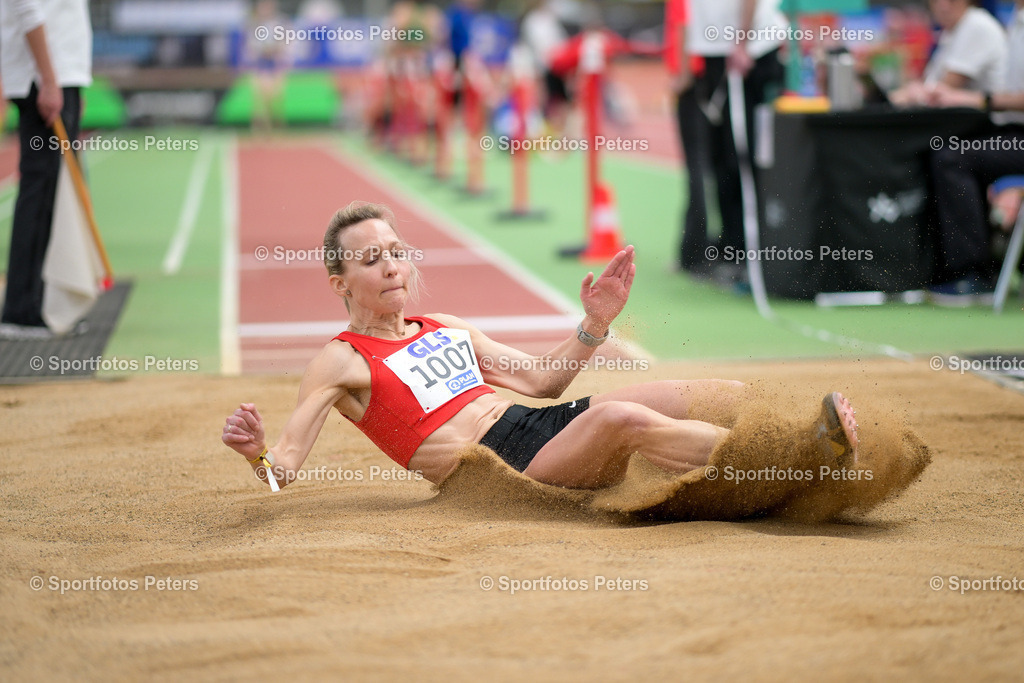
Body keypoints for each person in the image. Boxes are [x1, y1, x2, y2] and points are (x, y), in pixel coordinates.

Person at [222, 202, 860, 491]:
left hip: (538, 425)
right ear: (341, 282)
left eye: (397, 252)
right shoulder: (341, 360)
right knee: (621, 418)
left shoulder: (440, 326)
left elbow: (541, 381)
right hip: (500, 468)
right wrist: (258, 456)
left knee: (705, 393)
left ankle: (811, 429)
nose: (392, 267)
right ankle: (800, 460)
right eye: (371, 259)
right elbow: (284, 469)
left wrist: (594, 323)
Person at [0, 0, 91, 340]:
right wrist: (51, 82)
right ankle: (23, 310)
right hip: (42, 80)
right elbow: (28, 12)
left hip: (59, 77)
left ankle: (44, 304)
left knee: (53, 196)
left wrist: (71, 83)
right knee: (40, 195)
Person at [924, 0, 1023, 304]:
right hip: (1009, 131)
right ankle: (977, 264)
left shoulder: (988, 25)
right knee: (949, 151)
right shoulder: (1016, 23)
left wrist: (981, 99)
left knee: (953, 157)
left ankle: (973, 274)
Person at [686, 0, 787, 285]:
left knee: (741, 157)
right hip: (719, 50)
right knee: (722, 159)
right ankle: (731, 249)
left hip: (746, 52)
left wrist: (742, 42)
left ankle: (751, 253)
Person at [891, 0, 1008, 107]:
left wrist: (900, 96)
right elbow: (929, 83)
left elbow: (942, 89)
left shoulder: (976, 25)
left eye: (952, 0)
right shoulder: (951, 31)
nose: (943, 5)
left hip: (987, 124)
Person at [664, 0, 709, 274]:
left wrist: (682, 75)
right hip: (704, 75)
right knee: (705, 166)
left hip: (693, 80)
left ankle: (695, 251)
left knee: (697, 167)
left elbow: (684, 25)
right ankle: (702, 248)